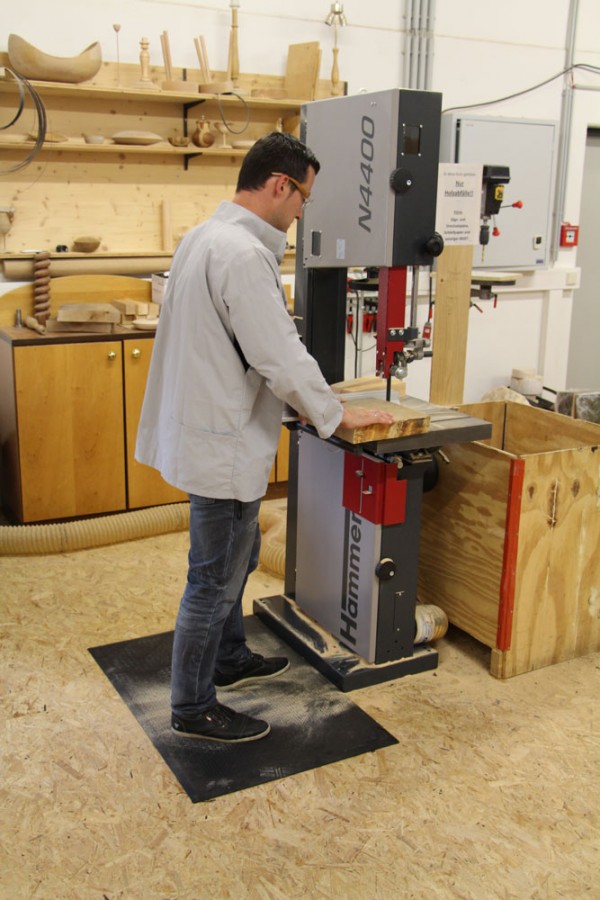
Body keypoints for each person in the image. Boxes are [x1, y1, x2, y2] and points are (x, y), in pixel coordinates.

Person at [135, 131, 395, 744]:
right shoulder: (243, 254)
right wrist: (333, 413)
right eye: (304, 197)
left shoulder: (202, 237)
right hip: (221, 444)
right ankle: (192, 706)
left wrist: (314, 402)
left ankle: (228, 657)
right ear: (281, 185)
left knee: (241, 554)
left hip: (209, 431)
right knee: (212, 578)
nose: (302, 212)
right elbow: (278, 354)